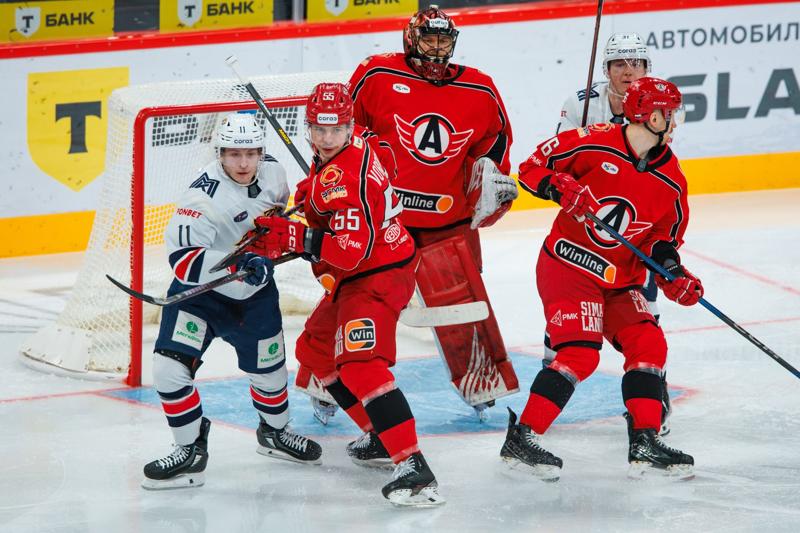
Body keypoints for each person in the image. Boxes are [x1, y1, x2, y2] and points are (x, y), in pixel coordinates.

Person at [296, 5, 519, 432]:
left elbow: (495, 145)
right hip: (379, 225)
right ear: (410, 40)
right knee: (350, 302)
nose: (436, 47)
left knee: (462, 306)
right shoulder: (377, 73)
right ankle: (326, 385)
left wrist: (489, 178)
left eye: (443, 39)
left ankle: (481, 382)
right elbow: (340, 131)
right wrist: (323, 185)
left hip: (446, 224)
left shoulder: (480, 88)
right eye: (428, 38)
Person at [247, 83, 444, 507]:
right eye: (319, 129)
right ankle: (379, 436)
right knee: (315, 350)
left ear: (350, 127)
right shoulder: (345, 153)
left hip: (376, 275)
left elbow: (350, 251)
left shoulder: (345, 177)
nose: (326, 137)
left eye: (335, 129)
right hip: (366, 271)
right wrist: (312, 201)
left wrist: (298, 236)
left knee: (361, 365)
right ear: (309, 128)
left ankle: (413, 466)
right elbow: (339, 200)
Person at [502, 78, 701, 481]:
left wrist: (672, 273)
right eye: (669, 114)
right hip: (568, 266)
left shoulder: (672, 179)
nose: (674, 122)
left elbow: (661, 241)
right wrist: (557, 186)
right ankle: (522, 438)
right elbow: (530, 169)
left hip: (620, 281)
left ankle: (644, 440)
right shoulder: (592, 141)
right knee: (580, 353)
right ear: (650, 116)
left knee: (649, 343)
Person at [141, 113, 322, 490]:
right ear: (220, 153)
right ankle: (189, 449)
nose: (243, 163)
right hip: (200, 299)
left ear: (261, 152)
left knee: (270, 374)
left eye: (251, 153)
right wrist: (240, 263)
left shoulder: (274, 173)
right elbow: (183, 261)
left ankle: (274, 434)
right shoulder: (201, 198)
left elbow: (273, 222)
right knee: (168, 370)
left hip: (254, 297)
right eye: (234, 154)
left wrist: (292, 236)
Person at [553, 32, 673, 435]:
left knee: (644, 307)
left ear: (647, 67)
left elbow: (654, 162)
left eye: (636, 63)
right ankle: (554, 376)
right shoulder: (580, 103)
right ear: (606, 69)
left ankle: (653, 386)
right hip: (585, 225)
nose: (628, 71)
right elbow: (556, 157)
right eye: (620, 63)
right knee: (570, 308)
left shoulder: (659, 103)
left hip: (634, 222)